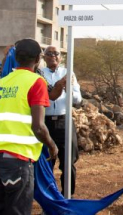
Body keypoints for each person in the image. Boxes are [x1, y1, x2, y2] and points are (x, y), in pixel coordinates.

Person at [0, 38, 58, 215]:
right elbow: (38, 126)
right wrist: (52, 145)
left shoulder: (3, 82)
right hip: (17, 160)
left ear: (16, 58)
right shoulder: (36, 81)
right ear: (37, 59)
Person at [40, 45, 82, 197]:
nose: (53, 56)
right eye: (49, 54)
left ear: (60, 56)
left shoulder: (68, 73)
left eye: (56, 53)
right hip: (45, 122)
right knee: (46, 163)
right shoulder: (40, 74)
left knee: (68, 163)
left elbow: (78, 99)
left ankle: (67, 198)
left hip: (64, 122)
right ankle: (49, 200)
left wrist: (67, 87)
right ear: (44, 57)